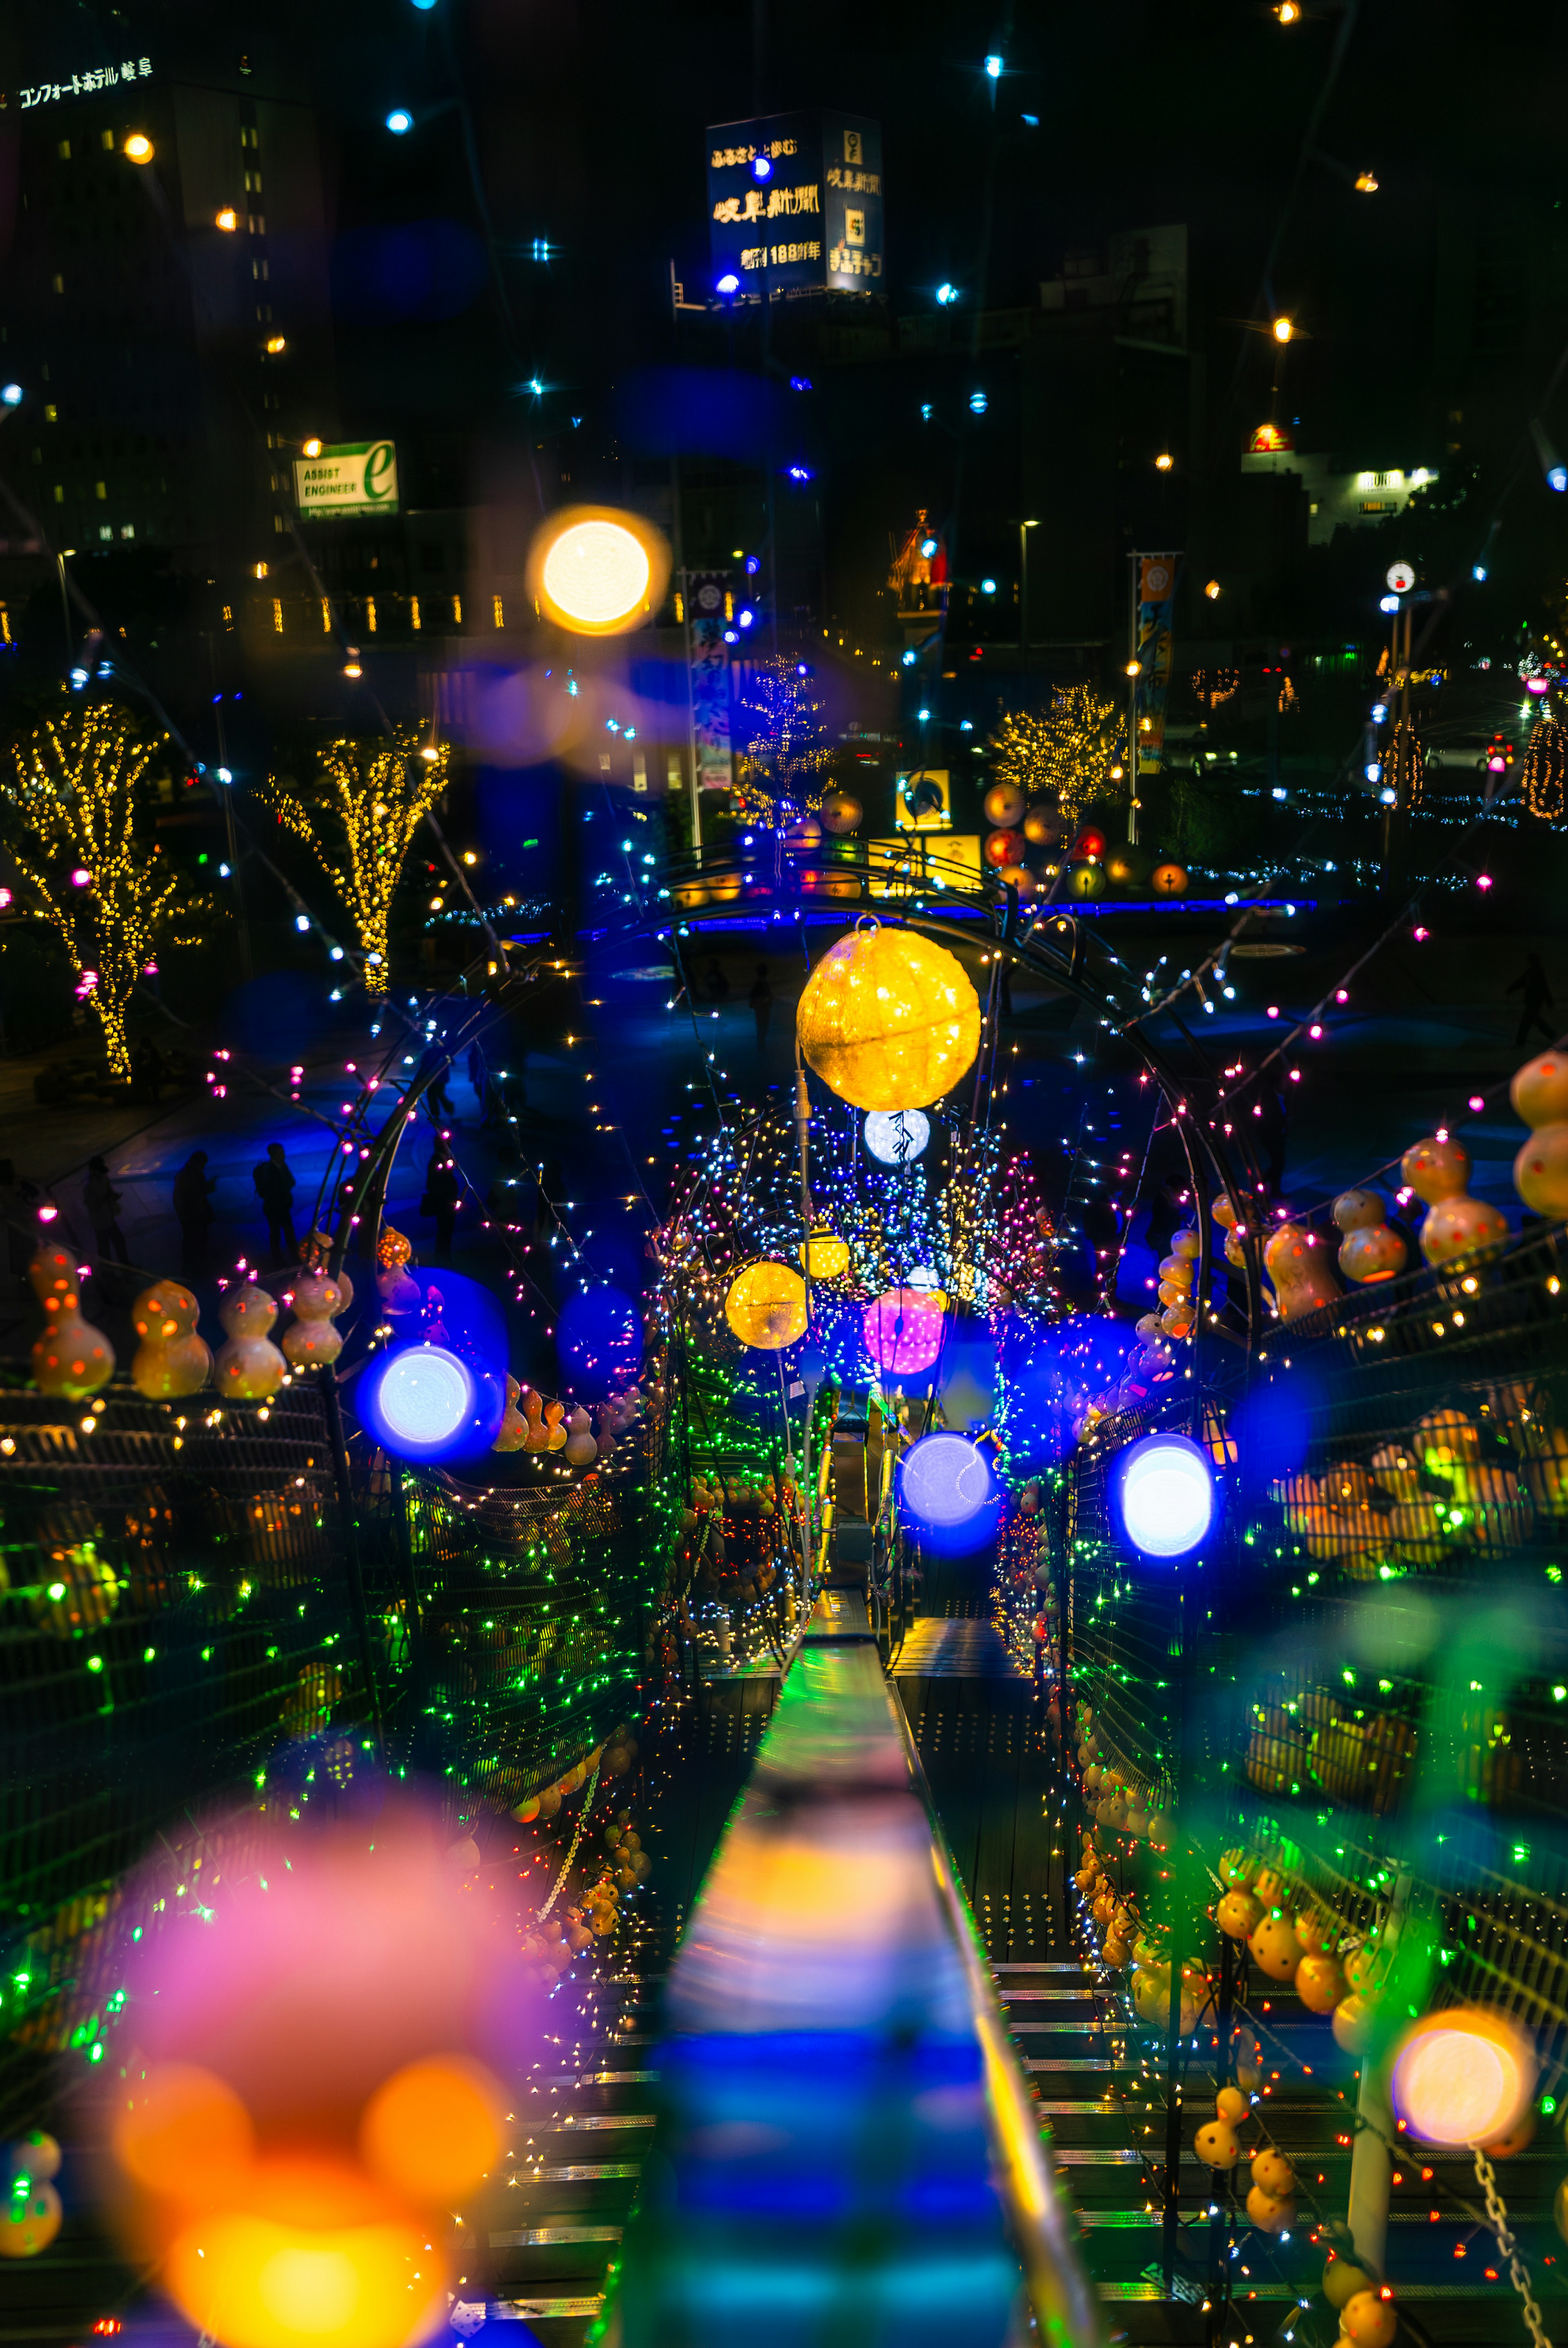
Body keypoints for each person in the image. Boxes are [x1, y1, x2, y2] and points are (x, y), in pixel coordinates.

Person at [253, 1142, 298, 1264]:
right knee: (277, 1234)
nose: (284, 1155)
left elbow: (292, 1182)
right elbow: (271, 1189)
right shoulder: (269, 1170)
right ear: (275, 1154)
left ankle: (294, 1258)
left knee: (287, 1233)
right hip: (274, 1207)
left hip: (282, 1206)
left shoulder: (282, 1167)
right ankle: (280, 1261)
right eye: (281, 1152)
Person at [173, 1151, 216, 1273]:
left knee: (191, 1242)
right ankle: (197, 1269)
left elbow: (191, 1194)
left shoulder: (184, 1174)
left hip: (189, 1215)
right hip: (195, 1216)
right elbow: (197, 1195)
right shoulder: (194, 1175)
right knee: (197, 1242)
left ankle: (191, 1268)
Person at [83, 1156, 129, 1264]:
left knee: (113, 1243)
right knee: (108, 1246)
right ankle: (112, 1269)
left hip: (106, 1219)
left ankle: (117, 1266)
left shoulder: (102, 1179)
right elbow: (93, 1205)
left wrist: (111, 1197)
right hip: (101, 1221)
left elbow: (107, 1194)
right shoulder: (90, 1185)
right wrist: (109, 1199)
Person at [1507, 951, 1556, 1047]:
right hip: (1534, 1001)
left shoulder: (1536, 972)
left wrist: (1510, 990)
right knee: (1535, 1020)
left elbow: (1543, 987)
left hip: (1535, 1001)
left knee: (1527, 1022)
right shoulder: (1532, 972)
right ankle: (1552, 1035)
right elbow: (1522, 982)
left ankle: (1520, 1043)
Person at [421, 1147, 460, 1262]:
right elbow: (435, 1183)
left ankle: (444, 1257)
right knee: (445, 1231)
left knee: (446, 1232)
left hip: (447, 1203)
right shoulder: (438, 1161)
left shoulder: (443, 1160)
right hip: (444, 1204)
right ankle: (443, 1258)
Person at [130, 1036, 165, 1105]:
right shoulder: (138, 1053)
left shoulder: (154, 1051)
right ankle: (145, 1099)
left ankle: (156, 1098)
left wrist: (159, 1070)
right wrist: (142, 1064)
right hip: (142, 1073)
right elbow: (135, 1064)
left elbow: (159, 1062)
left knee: (155, 1083)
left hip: (153, 1072)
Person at [749, 963, 773, 1055]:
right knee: (763, 1025)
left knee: (761, 1026)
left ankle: (761, 1044)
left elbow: (753, 996)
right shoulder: (762, 984)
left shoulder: (760, 983)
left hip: (761, 1008)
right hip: (763, 1008)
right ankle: (761, 1045)